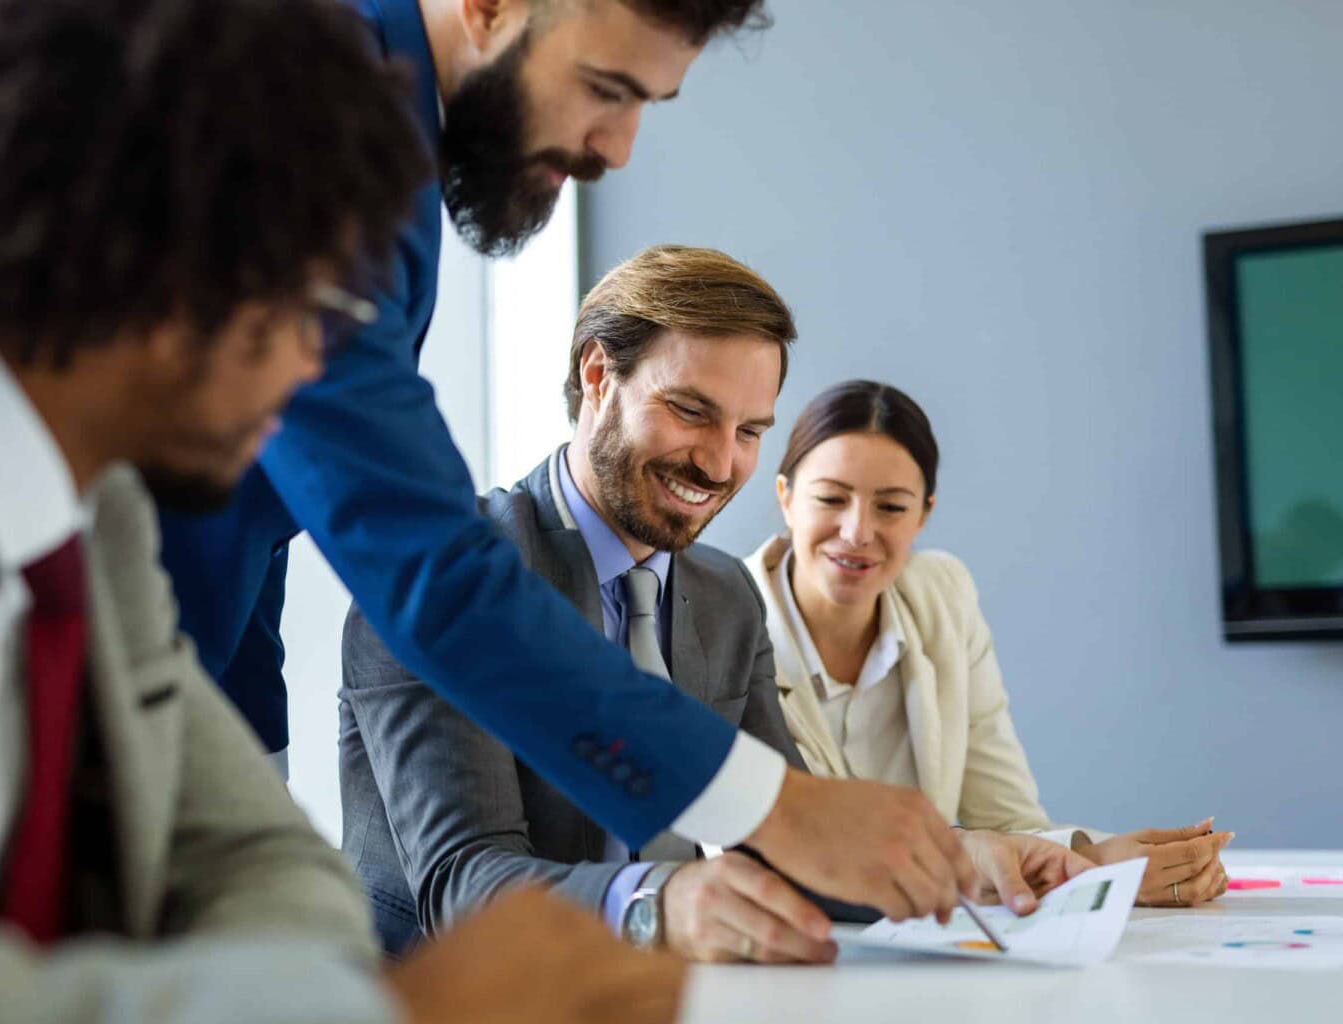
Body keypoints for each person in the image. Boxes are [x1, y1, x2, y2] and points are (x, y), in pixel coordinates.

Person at [0, 1, 686, 1021]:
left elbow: (261, 857)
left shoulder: (103, 539)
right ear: (145, 242)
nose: (317, 365)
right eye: (311, 304)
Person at [159, 0, 980, 932]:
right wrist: (770, 806)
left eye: (647, 104)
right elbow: (419, 560)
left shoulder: (388, 143)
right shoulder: (311, 94)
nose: (618, 148)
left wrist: (226, 803)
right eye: (604, 89)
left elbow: (252, 503)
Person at [341, 247, 1092, 963]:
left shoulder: (725, 594)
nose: (720, 462)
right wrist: (658, 906)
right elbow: (463, 883)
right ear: (598, 374)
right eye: (691, 412)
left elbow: (790, 841)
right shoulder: (449, 575)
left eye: (750, 431)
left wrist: (961, 859)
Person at [748, 380, 1235, 909]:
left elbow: (1006, 819)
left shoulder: (942, 596)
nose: (858, 531)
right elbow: (806, 850)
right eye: (831, 499)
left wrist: (1099, 859)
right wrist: (1089, 870)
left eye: (891, 507)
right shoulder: (727, 622)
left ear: (923, 515)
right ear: (786, 498)